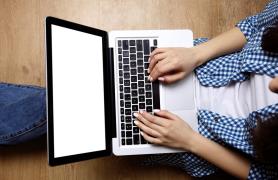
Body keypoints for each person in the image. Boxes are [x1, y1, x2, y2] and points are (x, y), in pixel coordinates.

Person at [133, 0, 278, 179]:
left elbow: (261, 175)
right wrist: (196, 54)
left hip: (195, 136)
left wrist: (189, 141)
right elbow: (254, 25)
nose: (273, 85)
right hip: (196, 66)